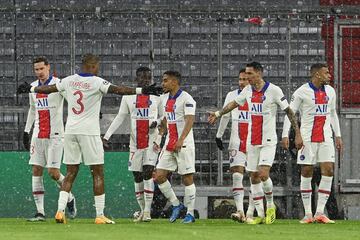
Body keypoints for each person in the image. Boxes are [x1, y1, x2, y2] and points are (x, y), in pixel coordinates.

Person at [17, 53, 162, 224]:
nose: (98, 69)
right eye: (97, 66)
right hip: (90, 133)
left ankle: (60, 211)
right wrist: (142, 90)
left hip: (70, 131)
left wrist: (31, 89)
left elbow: (49, 89)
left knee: (70, 172)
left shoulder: (68, 80)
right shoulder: (97, 81)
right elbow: (118, 90)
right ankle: (100, 215)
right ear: (92, 66)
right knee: (97, 172)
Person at [208, 61, 303, 225]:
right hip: (252, 140)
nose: (247, 77)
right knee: (253, 177)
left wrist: (297, 134)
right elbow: (233, 104)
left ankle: (271, 205)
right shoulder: (247, 90)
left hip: (268, 140)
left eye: (250, 74)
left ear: (259, 73)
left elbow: (289, 111)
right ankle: (260, 213)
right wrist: (217, 113)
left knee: (263, 174)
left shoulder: (274, 90)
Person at [281, 63, 343, 224]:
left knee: (328, 170)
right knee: (307, 171)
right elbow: (290, 113)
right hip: (307, 138)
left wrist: (338, 135)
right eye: (326, 73)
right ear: (317, 75)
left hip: (325, 137)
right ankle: (308, 214)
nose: (329, 75)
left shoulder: (330, 91)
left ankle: (320, 213)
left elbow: (332, 113)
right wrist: (286, 135)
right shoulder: (302, 92)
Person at [102, 66, 163, 222]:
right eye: (142, 77)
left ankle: (148, 211)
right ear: (136, 79)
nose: (145, 80)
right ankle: (142, 210)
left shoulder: (157, 96)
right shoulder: (129, 96)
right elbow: (120, 117)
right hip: (135, 142)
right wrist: (107, 136)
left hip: (151, 141)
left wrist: (156, 123)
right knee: (137, 176)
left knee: (148, 172)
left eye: (148, 77)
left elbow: (164, 118)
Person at [24, 57, 76, 222]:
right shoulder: (32, 87)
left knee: (53, 173)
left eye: (41, 69)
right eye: (36, 70)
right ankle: (40, 213)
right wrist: (26, 131)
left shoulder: (58, 85)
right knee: (36, 170)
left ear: (48, 68)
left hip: (55, 135)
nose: (39, 72)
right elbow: (33, 110)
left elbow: (72, 101)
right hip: (38, 135)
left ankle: (69, 197)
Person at [153, 70, 197, 224]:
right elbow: (167, 118)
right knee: (158, 176)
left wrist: (181, 139)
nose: (163, 83)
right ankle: (176, 205)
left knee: (187, 178)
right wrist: (161, 129)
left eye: (165, 81)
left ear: (174, 82)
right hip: (169, 142)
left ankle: (190, 214)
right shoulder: (164, 98)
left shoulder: (187, 99)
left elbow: (190, 120)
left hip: (183, 143)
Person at [215, 68, 255, 222]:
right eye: (240, 79)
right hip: (236, 140)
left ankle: (251, 212)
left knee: (254, 176)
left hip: (253, 140)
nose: (242, 82)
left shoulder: (256, 95)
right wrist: (219, 135)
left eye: (245, 79)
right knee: (237, 175)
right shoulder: (231, 95)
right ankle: (240, 211)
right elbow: (225, 116)